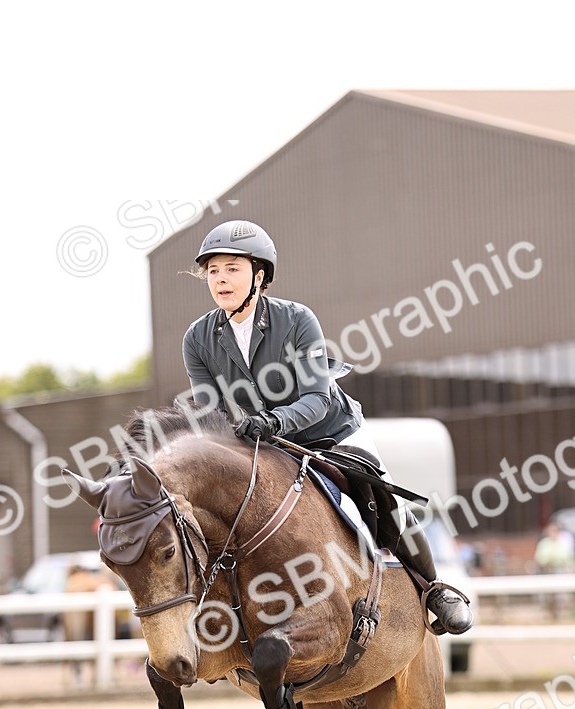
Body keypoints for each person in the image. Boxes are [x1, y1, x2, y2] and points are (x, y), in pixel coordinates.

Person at [181, 219, 472, 636]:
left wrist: (273, 421)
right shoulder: (197, 338)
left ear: (258, 275)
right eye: (213, 271)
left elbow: (317, 398)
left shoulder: (298, 319)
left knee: (385, 493)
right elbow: (208, 413)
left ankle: (435, 589)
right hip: (264, 445)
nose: (221, 279)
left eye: (232, 268)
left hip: (329, 430)